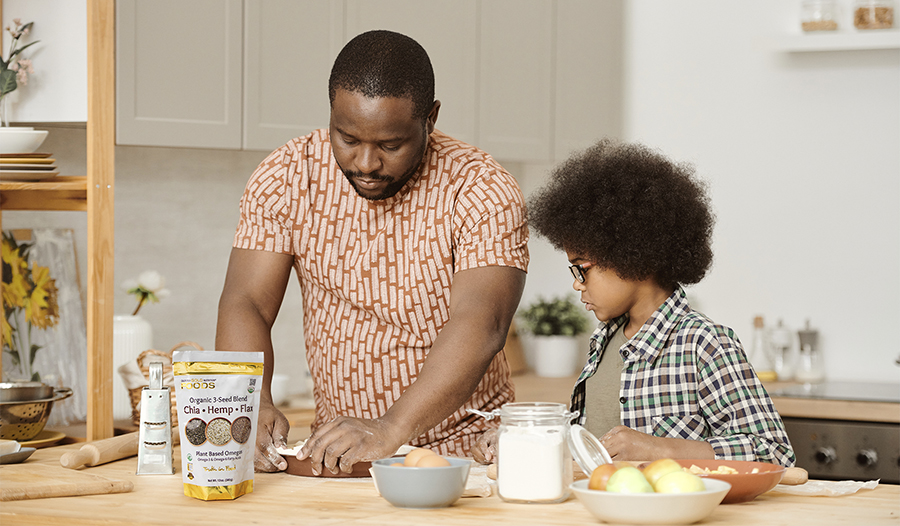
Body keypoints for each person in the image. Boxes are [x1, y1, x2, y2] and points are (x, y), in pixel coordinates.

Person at [215, 30, 528, 475]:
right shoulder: (286, 175)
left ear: (431, 119)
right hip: (339, 454)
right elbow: (246, 302)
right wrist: (252, 400)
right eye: (346, 137)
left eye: (389, 145)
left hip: (467, 455)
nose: (365, 163)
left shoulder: (482, 189)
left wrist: (389, 428)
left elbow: (483, 323)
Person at [474, 139, 795, 467]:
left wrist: (662, 450)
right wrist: (517, 439)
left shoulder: (704, 344)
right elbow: (589, 445)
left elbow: (773, 451)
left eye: (582, 269)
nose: (576, 283)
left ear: (633, 256)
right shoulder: (604, 339)